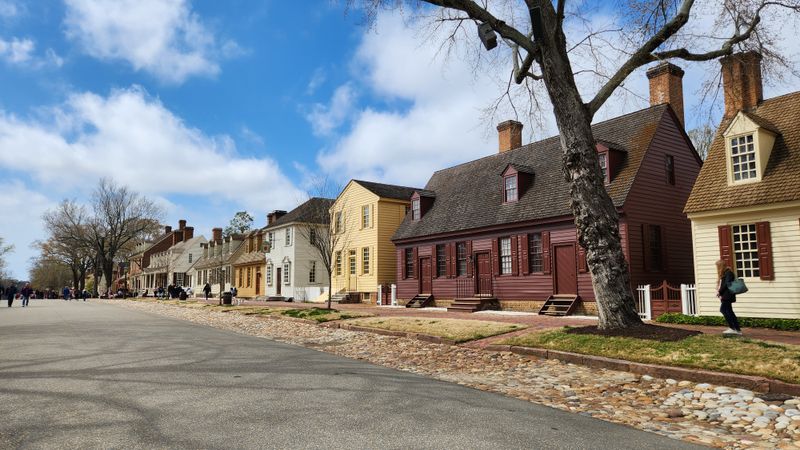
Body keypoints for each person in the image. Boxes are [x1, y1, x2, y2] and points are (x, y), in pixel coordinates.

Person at [716, 259, 742, 336]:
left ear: (721, 266)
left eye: (718, 266)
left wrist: (720, 292)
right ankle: (736, 329)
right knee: (729, 311)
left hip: (727, 296)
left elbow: (727, 284)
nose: (717, 268)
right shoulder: (726, 273)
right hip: (726, 296)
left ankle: (733, 328)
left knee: (723, 310)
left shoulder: (728, 273)